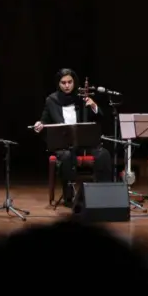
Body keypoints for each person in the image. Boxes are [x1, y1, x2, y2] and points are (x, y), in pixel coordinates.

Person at [33, 68, 112, 208]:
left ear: (74, 82)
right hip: (64, 145)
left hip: (84, 144)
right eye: (63, 83)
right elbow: (44, 120)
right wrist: (39, 124)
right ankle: (69, 197)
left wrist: (93, 106)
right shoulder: (51, 100)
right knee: (66, 156)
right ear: (58, 84)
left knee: (103, 154)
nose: (67, 85)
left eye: (70, 82)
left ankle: (102, 194)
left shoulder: (82, 98)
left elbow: (100, 117)